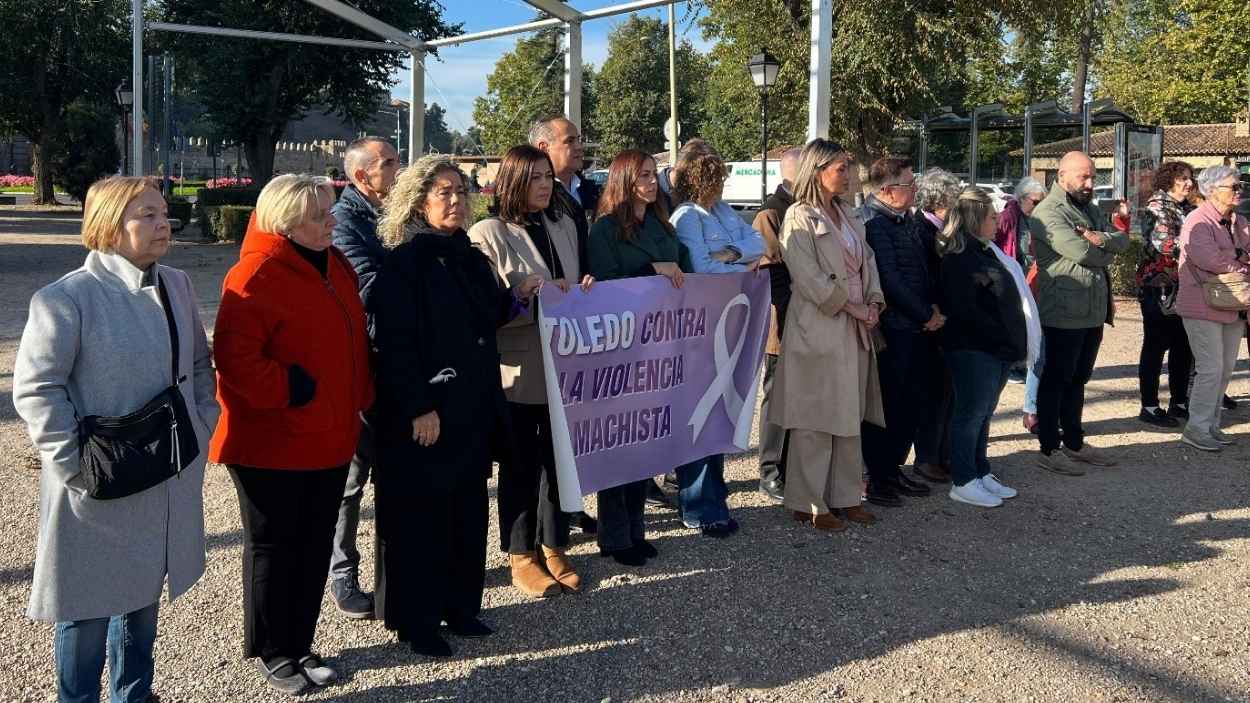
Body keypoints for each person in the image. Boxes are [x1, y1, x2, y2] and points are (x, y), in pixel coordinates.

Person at [14, 176, 219, 703]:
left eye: (162, 212)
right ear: (109, 224)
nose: (162, 223)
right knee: (84, 607)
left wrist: (202, 419)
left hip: (162, 469)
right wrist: (74, 467)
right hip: (97, 479)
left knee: (142, 596)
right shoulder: (65, 298)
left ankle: (135, 694)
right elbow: (37, 389)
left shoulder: (174, 283)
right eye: (146, 214)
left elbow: (199, 362)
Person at [370, 156, 542, 657]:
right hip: (427, 410)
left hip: (472, 405)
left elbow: (487, 318)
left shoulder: (468, 255)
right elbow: (395, 345)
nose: (454, 200)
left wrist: (518, 295)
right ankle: (416, 620)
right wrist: (418, 406)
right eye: (443, 192)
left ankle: (460, 606)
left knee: (466, 510)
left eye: (460, 192)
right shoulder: (405, 263)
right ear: (420, 201)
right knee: (421, 517)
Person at [209, 174, 373, 695]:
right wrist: (289, 389)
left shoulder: (334, 262)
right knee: (273, 549)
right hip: (273, 442)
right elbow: (234, 359)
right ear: (287, 222)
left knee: (312, 545)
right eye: (319, 216)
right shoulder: (255, 273)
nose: (331, 222)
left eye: (329, 211)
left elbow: (352, 337)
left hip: (329, 434)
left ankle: (300, 642)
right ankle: (270, 649)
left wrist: (362, 395)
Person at [468, 145, 591, 597]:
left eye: (547, 176)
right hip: (519, 367)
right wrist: (524, 293)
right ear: (514, 182)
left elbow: (578, 282)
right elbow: (486, 308)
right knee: (520, 466)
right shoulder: (488, 233)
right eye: (536, 177)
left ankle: (555, 544)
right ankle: (521, 555)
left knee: (560, 462)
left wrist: (585, 290)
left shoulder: (564, 226)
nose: (546, 184)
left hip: (565, 364)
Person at [771, 138, 884, 531]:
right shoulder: (798, 217)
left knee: (849, 413)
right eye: (840, 168)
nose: (849, 175)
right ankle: (809, 502)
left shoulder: (848, 215)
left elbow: (868, 262)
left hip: (855, 329)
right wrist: (850, 305)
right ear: (817, 172)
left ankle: (847, 496)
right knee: (816, 417)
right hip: (819, 330)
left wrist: (873, 301)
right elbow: (807, 278)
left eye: (848, 167)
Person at [587, 149, 692, 562]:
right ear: (625, 180)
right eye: (644, 175)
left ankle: (635, 527)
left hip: (659, 343)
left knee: (646, 439)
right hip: (622, 346)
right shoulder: (606, 230)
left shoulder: (662, 225)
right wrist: (653, 272)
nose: (652, 181)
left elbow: (683, 268)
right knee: (619, 441)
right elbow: (606, 285)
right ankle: (614, 536)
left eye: (654, 174)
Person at [670, 142, 766, 537]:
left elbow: (759, 243)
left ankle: (714, 494)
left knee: (720, 414)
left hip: (728, 321)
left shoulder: (722, 211)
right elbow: (702, 269)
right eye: (716, 177)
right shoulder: (687, 218)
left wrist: (730, 253)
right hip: (701, 327)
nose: (722, 184)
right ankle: (695, 502)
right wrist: (740, 262)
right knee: (701, 411)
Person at [326, 136, 400, 619]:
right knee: (352, 479)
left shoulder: (399, 212)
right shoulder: (344, 222)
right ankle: (342, 571)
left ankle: (397, 567)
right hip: (365, 364)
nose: (399, 168)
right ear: (361, 177)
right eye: (390, 162)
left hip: (400, 362)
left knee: (398, 473)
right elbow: (367, 287)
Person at [1028, 151, 1130, 476]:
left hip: (1092, 310)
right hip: (1062, 312)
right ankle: (1048, 447)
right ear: (1062, 176)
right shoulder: (1048, 212)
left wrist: (1102, 239)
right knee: (1056, 379)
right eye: (1083, 177)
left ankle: (1074, 441)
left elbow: (1122, 240)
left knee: (1079, 380)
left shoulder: (1090, 209)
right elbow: (1080, 251)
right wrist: (1103, 247)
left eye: (1093, 176)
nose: (1090, 183)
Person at [937, 187, 1036, 507]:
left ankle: (980, 470)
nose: (998, 222)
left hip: (997, 349)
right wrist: (1000, 337)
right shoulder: (959, 259)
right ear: (975, 219)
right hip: (973, 349)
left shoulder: (987, 250)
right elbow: (966, 311)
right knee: (970, 414)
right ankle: (963, 479)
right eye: (992, 217)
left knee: (983, 414)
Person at [529, 116, 603, 528]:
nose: (579, 146)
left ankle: (570, 504)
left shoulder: (588, 191)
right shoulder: (530, 210)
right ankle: (548, 523)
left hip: (581, 317)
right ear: (543, 148)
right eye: (569, 140)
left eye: (579, 138)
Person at [859, 158, 941, 507]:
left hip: (918, 326)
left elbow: (922, 270)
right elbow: (890, 281)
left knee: (911, 404)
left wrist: (932, 311)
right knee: (890, 406)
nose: (915, 189)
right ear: (887, 190)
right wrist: (925, 314)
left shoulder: (906, 220)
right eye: (909, 184)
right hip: (896, 328)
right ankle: (879, 477)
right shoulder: (876, 223)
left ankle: (894, 469)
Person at [1175, 165, 1250, 452]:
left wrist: (1238, 258)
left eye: (1239, 186)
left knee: (1226, 369)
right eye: (1234, 186)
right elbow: (1210, 259)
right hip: (1202, 304)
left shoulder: (1238, 220)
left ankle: (1210, 425)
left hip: (1233, 302)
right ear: (1213, 190)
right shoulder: (1197, 221)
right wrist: (1241, 261)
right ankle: (1196, 428)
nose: (1239, 191)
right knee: (1211, 368)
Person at [752, 147, 802, 501]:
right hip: (781, 323)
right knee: (776, 395)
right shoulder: (772, 213)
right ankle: (770, 470)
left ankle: (793, 464)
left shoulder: (808, 209)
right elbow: (771, 274)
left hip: (807, 321)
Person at [1134, 161, 1197, 428]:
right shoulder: (1157, 206)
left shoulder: (1187, 208)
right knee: (1156, 345)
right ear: (1168, 181)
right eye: (1182, 178)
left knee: (1184, 345)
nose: (1188, 183)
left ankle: (1179, 401)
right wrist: (1200, 251)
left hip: (1184, 286)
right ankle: (1149, 405)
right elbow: (1165, 244)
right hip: (1158, 288)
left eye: (1190, 178)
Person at [910, 168, 962, 484]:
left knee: (946, 394)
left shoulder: (944, 230)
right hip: (929, 325)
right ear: (940, 199)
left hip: (945, 325)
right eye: (953, 197)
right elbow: (923, 278)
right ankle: (927, 458)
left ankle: (941, 455)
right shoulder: (922, 231)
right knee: (932, 395)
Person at [996, 177, 1047, 270]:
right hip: (1014, 271)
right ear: (1022, 198)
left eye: (1042, 203)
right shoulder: (1007, 218)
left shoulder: (1038, 218)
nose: (1039, 206)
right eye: (1036, 202)